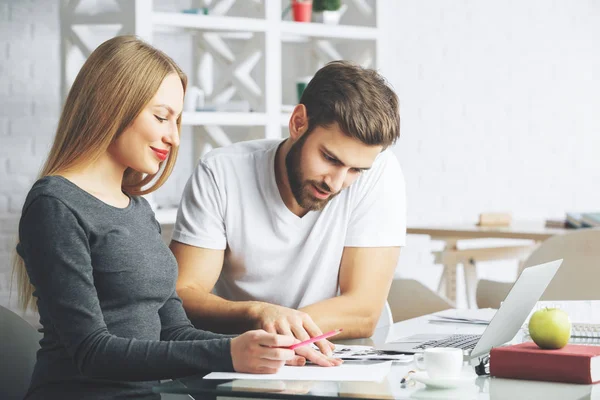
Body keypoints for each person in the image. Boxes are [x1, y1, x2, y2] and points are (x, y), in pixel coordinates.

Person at [13, 36, 339, 400]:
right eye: (161, 116)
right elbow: (92, 352)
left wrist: (266, 347)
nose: (174, 136)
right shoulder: (54, 205)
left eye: (177, 119)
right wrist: (229, 354)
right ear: (111, 107)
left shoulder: (137, 208)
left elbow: (175, 331)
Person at [170, 60, 406, 354]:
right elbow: (183, 294)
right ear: (298, 123)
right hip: (251, 357)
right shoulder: (221, 173)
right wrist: (260, 313)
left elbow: (364, 310)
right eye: (330, 158)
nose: (336, 182)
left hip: (345, 355)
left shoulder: (380, 172)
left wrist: (279, 326)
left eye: (355, 170)